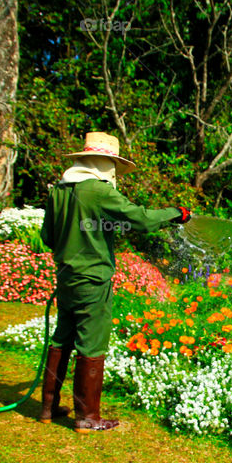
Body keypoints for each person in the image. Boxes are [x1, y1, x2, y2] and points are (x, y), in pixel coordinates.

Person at [39, 131, 191, 433]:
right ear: (105, 163)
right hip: (92, 280)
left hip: (66, 277)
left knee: (62, 339)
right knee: (91, 343)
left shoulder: (59, 190)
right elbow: (143, 219)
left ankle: (48, 406)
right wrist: (176, 213)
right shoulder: (98, 191)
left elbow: (47, 237)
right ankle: (87, 417)